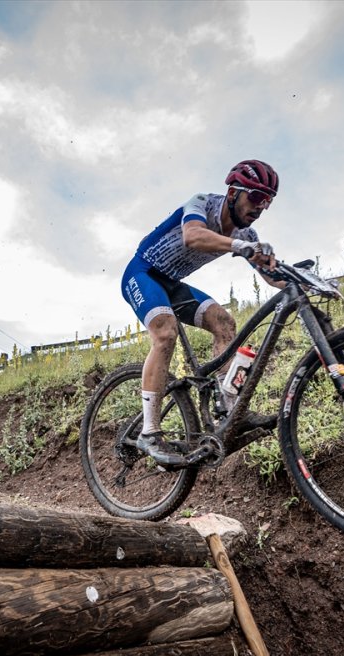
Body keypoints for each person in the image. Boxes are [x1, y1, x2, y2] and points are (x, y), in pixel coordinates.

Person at [120, 159, 284, 462]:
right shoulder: (202, 203)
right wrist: (239, 246)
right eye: (256, 197)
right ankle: (149, 432)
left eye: (268, 201)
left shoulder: (247, 235)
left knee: (224, 323)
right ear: (234, 192)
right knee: (165, 333)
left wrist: (306, 281)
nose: (261, 207)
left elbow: (272, 278)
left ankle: (229, 411)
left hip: (172, 284)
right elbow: (193, 236)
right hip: (143, 274)